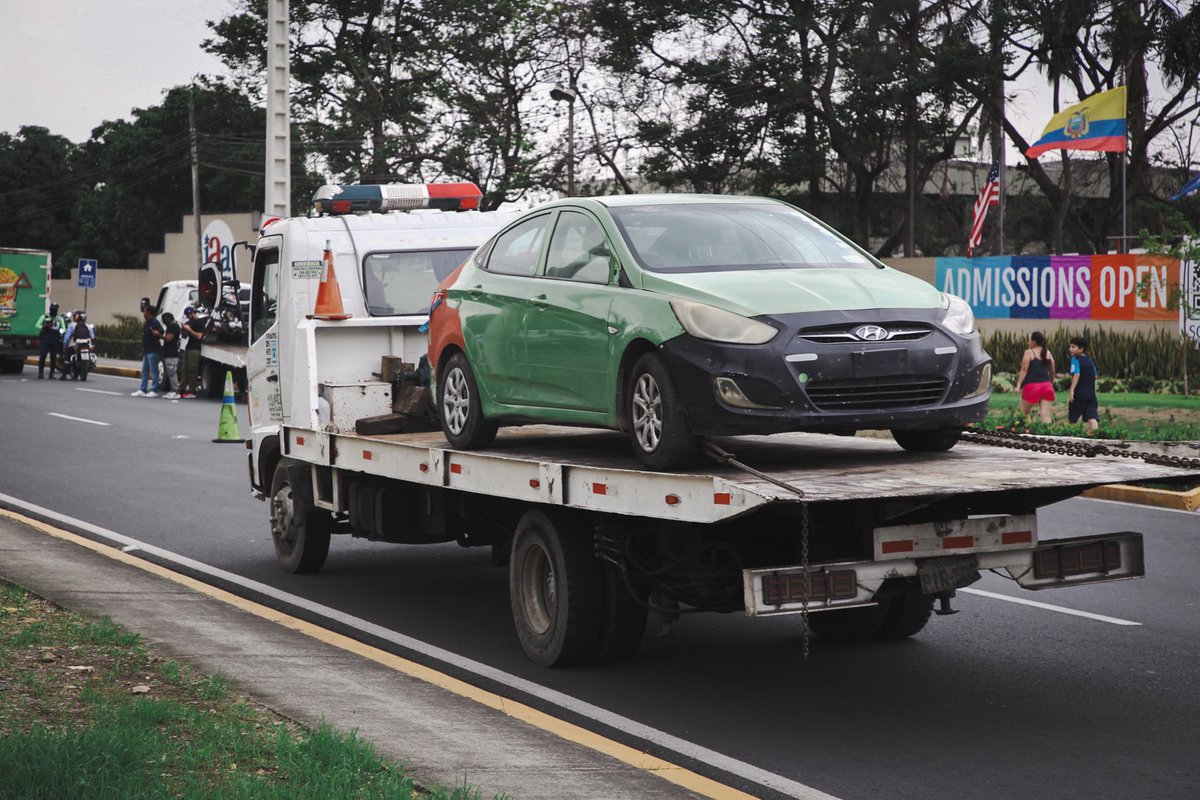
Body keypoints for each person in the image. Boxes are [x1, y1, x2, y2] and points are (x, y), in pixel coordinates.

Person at [1015, 330, 1056, 424]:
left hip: (1032, 386)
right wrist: (1051, 383)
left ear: (1033, 342)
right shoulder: (1048, 353)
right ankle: (1048, 435)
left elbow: (1024, 370)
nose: (1028, 342)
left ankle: (1028, 432)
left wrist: (1018, 385)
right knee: (1045, 415)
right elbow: (1052, 371)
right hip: (1047, 386)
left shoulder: (1029, 352)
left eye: (1029, 340)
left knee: (1024, 413)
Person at [1067, 335, 1099, 435]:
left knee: (1072, 418)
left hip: (1079, 394)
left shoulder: (1075, 360)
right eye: (1070, 346)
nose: (1070, 349)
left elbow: (1076, 374)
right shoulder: (1090, 360)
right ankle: (1095, 434)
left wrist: (1072, 390)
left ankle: (1067, 435)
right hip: (1091, 395)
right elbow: (1095, 376)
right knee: (1092, 417)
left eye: (1073, 347)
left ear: (1081, 349)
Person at [133, 305, 164, 398]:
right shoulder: (148, 322)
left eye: (145, 311)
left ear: (149, 313)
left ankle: (154, 390)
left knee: (154, 371)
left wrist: (156, 333)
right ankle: (143, 389)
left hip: (153, 350)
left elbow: (161, 331)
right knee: (145, 370)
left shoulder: (154, 322)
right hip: (147, 349)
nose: (144, 313)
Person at [179, 306, 208, 398]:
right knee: (184, 369)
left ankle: (192, 390)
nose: (188, 316)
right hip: (188, 347)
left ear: (193, 313)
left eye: (189, 314)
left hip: (195, 348)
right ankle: (182, 389)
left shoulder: (199, 323)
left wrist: (189, 330)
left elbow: (199, 336)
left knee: (192, 370)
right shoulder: (191, 322)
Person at [61, 311, 96, 380]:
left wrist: (64, 345)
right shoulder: (88, 326)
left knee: (67, 358)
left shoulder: (72, 325)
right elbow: (92, 336)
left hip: (75, 345)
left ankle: (64, 375)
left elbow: (67, 337)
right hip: (87, 344)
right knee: (91, 354)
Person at [36, 303, 66, 379]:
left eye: (55, 310)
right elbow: (37, 325)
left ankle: (51, 374)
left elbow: (64, 329)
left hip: (55, 339)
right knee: (43, 356)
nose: (53, 311)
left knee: (53, 357)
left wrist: (60, 332)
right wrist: (44, 327)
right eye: (52, 310)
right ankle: (40, 373)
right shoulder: (45, 316)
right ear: (50, 309)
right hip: (45, 338)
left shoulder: (60, 319)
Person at [160, 311, 182, 399]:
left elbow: (168, 338)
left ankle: (175, 391)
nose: (163, 322)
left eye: (164, 320)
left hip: (172, 353)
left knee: (172, 372)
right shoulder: (174, 325)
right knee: (170, 372)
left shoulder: (172, 327)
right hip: (171, 353)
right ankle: (173, 390)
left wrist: (159, 335)